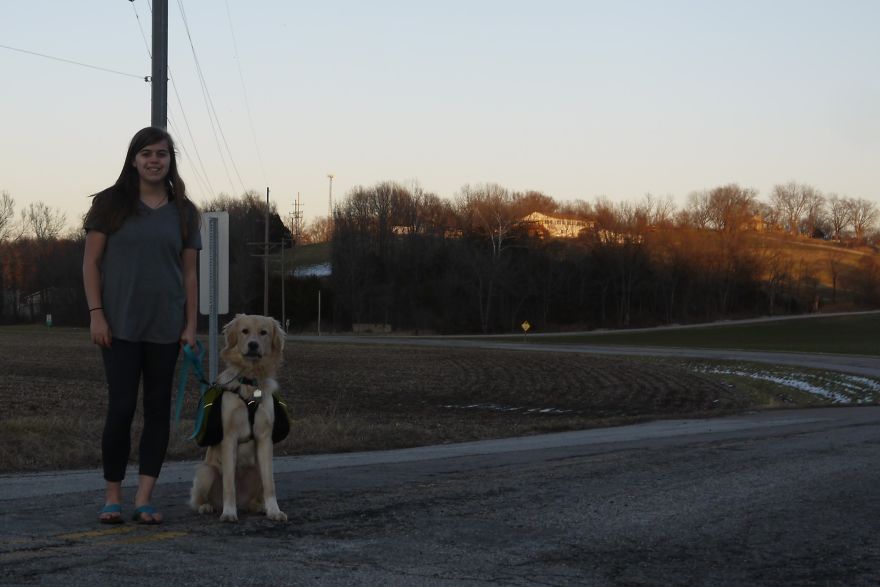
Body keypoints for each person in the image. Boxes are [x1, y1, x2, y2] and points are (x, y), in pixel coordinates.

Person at [83, 127, 201, 524]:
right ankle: (112, 496)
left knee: (157, 412)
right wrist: (96, 313)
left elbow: (189, 275)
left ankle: (145, 498)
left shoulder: (185, 212)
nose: (154, 160)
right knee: (120, 410)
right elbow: (91, 263)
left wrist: (190, 326)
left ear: (170, 161)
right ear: (133, 159)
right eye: (147, 153)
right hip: (118, 327)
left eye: (162, 154)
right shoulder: (110, 204)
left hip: (166, 328)